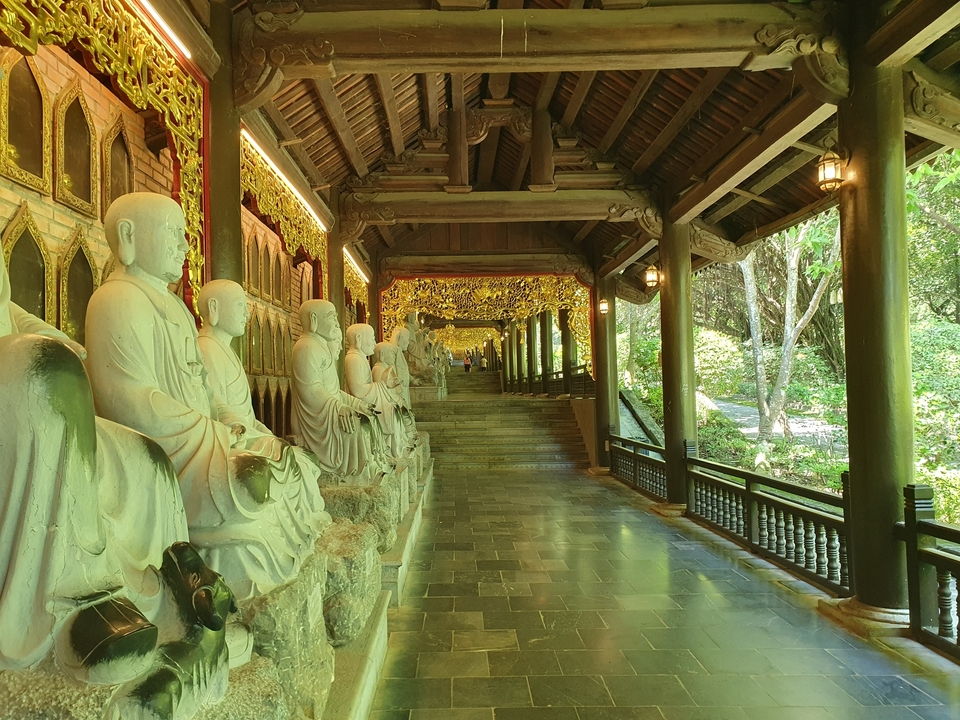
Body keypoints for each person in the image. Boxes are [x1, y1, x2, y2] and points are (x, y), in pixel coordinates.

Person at [85, 192, 329, 602]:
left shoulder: (177, 310)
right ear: (128, 235)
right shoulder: (115, 300)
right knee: (254, 478)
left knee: (282, 459)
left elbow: (203, 391)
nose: (184, 247)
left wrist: (223, 422)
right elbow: (124, 400)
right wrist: (210, 430)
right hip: (166, 454)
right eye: (174, 234)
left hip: (202, 440)